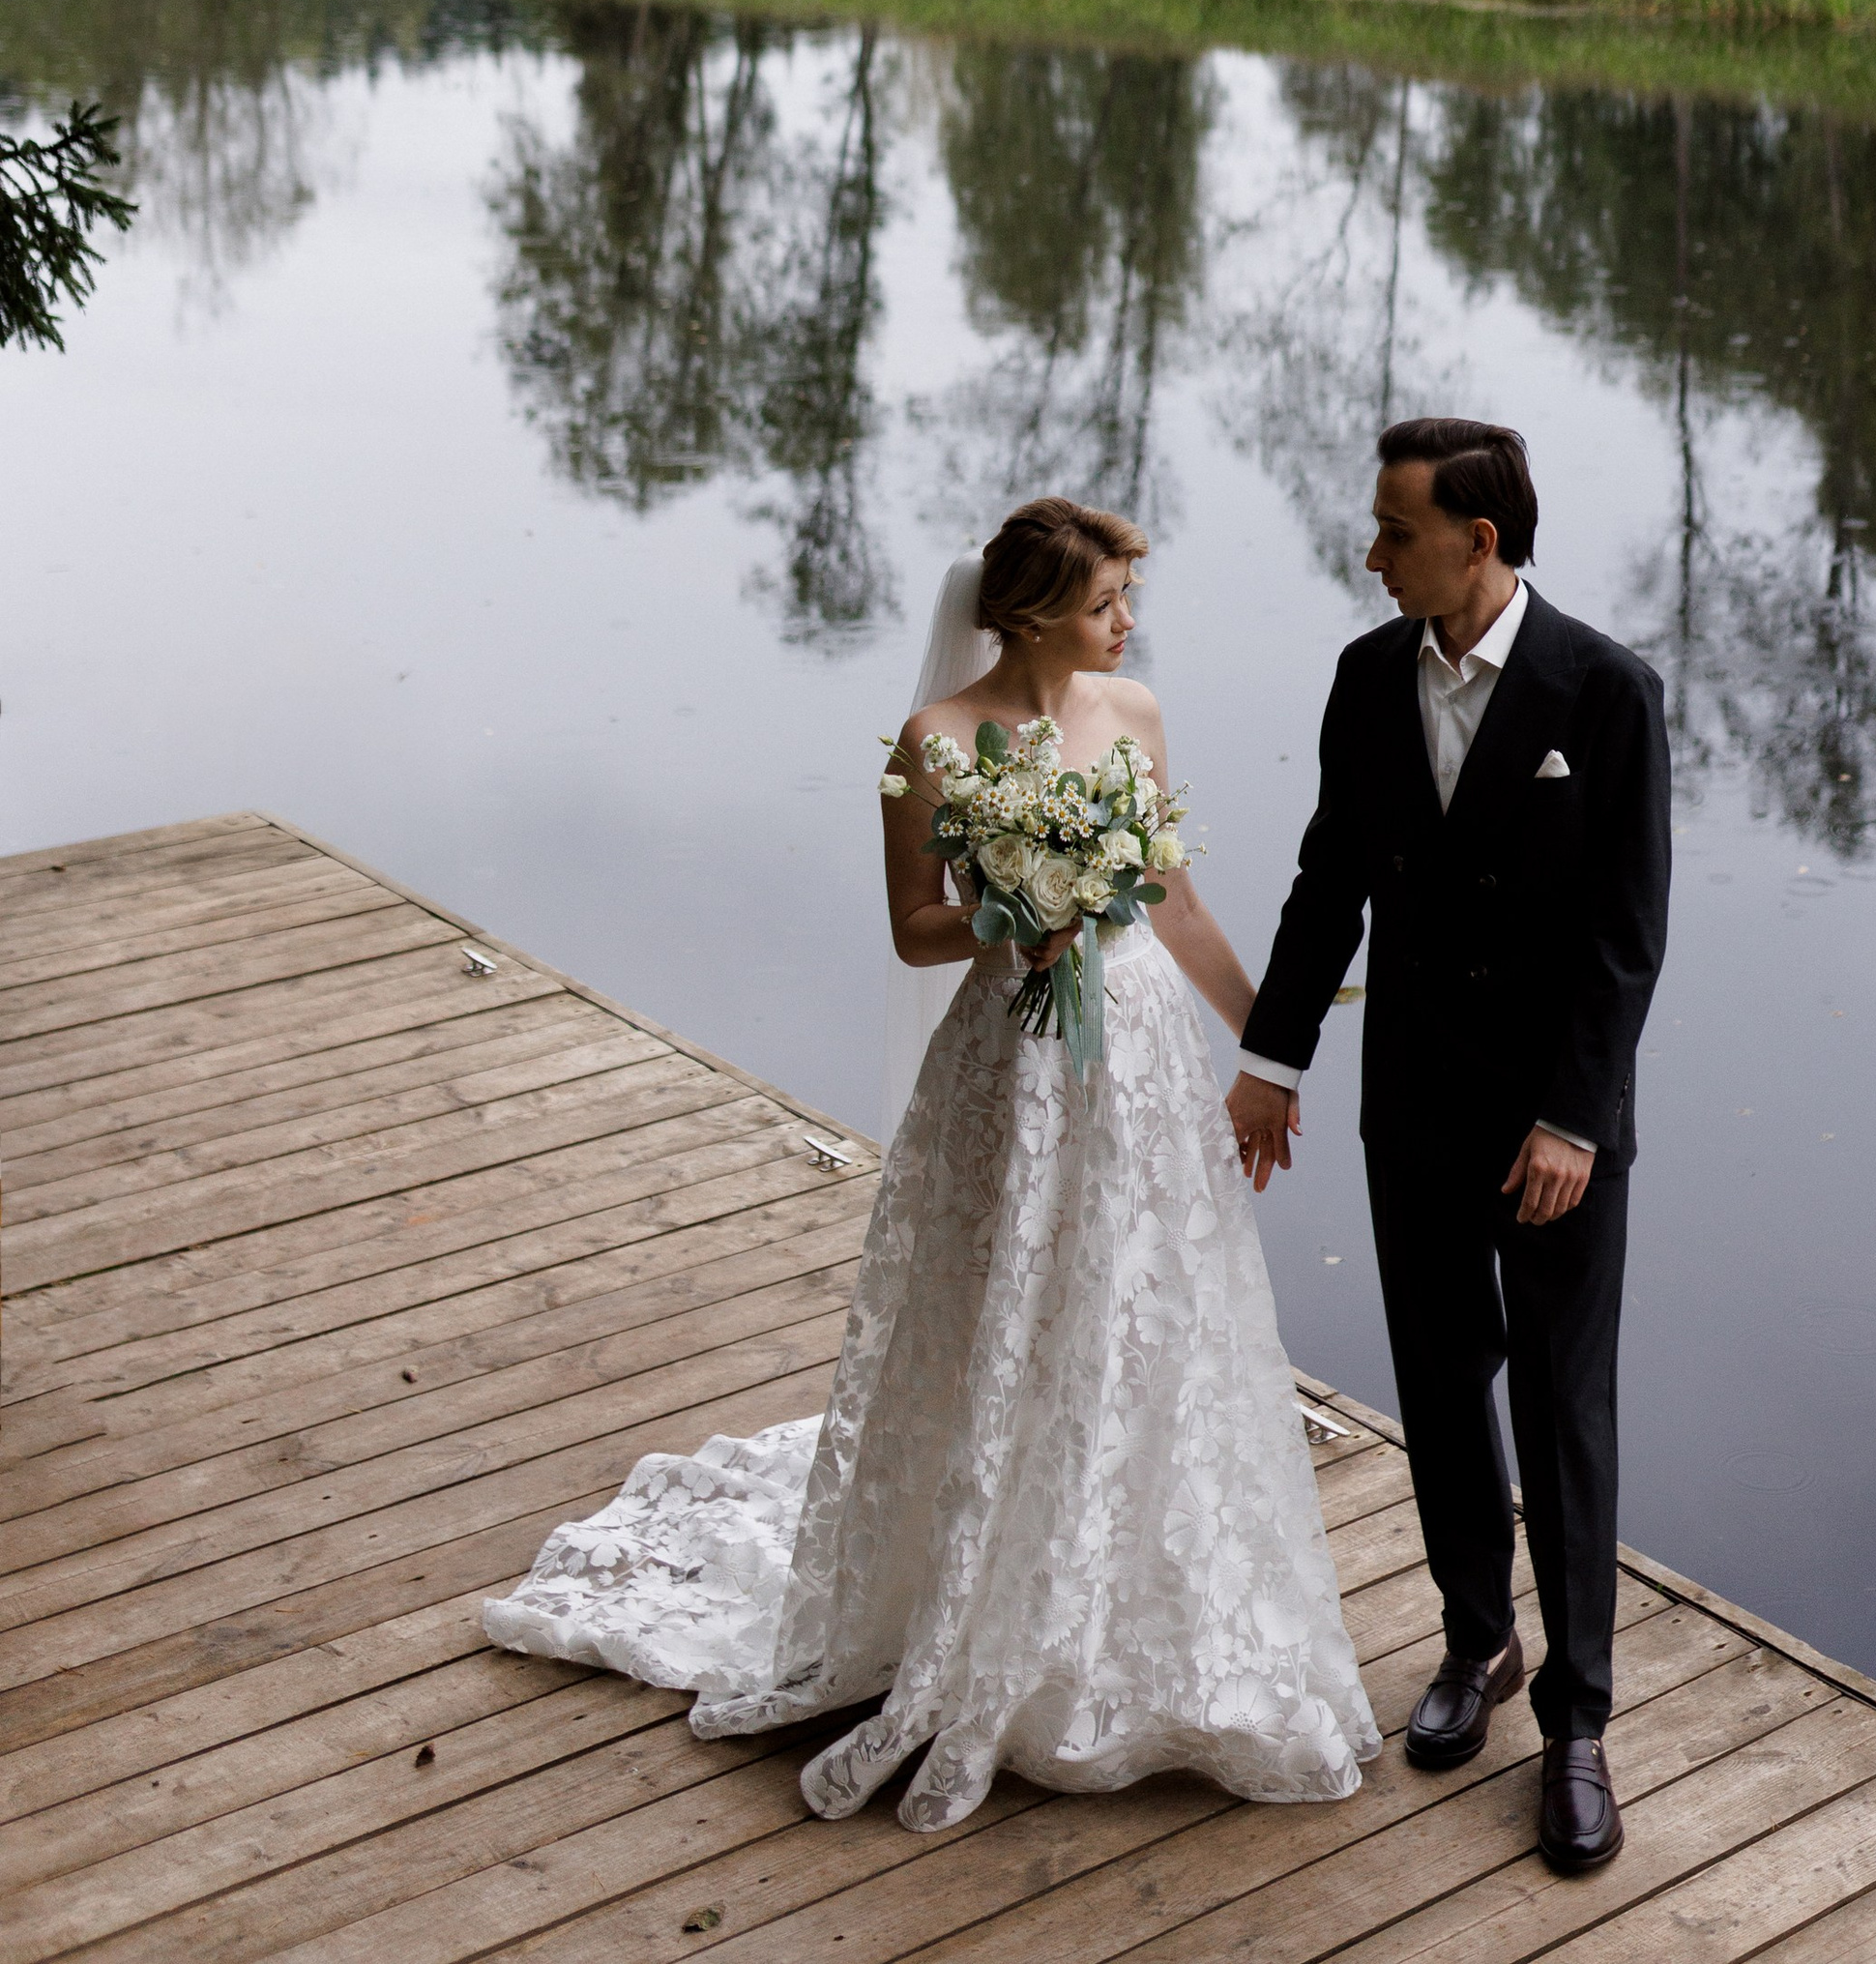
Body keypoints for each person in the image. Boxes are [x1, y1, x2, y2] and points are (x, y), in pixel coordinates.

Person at [485, 496, 1376, 1832]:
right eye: (1103, 601)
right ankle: (971, 1587)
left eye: (1127, 599)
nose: (1126, 623)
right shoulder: (931, 739)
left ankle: (1114, 1584)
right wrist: (1015, 908)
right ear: (1026, 612)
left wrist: (1270, 1046)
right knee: (1003, 1302)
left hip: (1134, 1054)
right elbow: (911, 927)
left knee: (1138, 1307)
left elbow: (1177, 903)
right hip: (1009, 1057)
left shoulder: (1130, 714)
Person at [1228, 417, 1670, 1877]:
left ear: (1478, 542)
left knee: (1562, 1398)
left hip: (1552, 1128)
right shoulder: (1367, 677)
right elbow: (1327, 877)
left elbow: (1624, 940)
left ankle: (1581, 1720)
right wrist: (1274, 1057)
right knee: (1438, 1375)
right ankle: (1479, 1638)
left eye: (1393, 529)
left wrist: (1574, 1120)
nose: (1370, 551)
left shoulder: (1605, 693)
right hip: (1408, 1104)